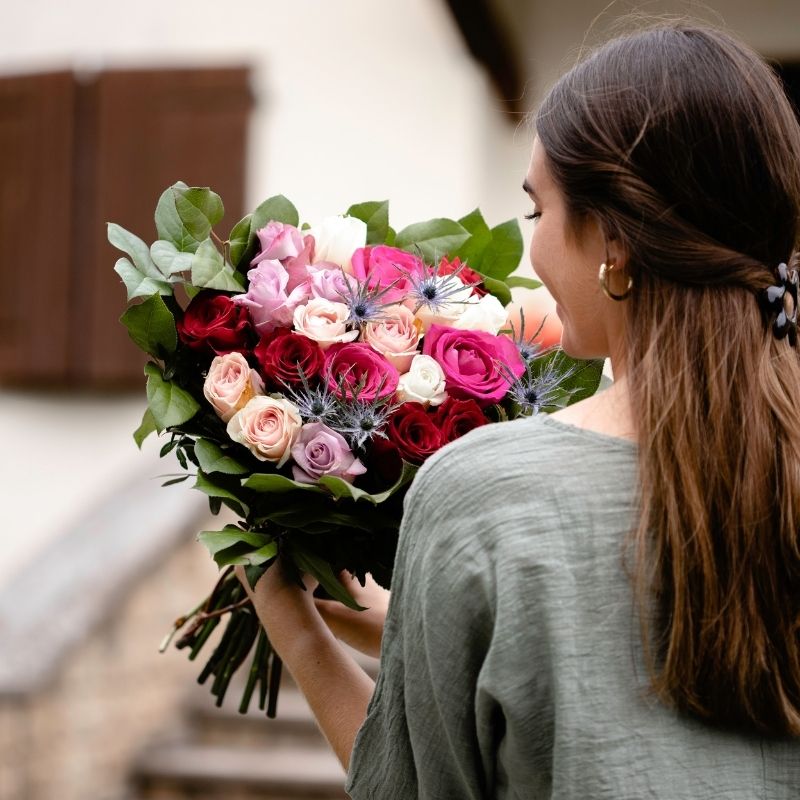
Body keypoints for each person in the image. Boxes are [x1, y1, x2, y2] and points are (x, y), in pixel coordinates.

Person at [235, 22, 800, 798]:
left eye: (537, 212)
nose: (531, 246)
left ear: (614, 240)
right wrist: (409, 626)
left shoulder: (484, 496)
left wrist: (293, 626)